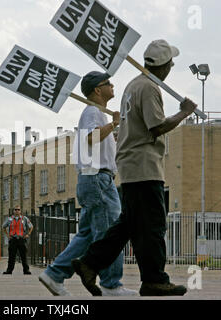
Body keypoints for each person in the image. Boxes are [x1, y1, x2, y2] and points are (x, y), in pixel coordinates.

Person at [71, 39, 198, 296]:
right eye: (171, 62)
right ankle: (154, 279)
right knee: (152, 225)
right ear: (165, 66)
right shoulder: (149, 88)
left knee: (128, 224)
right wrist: (184, 113)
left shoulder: (132, 86)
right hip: (144, 165)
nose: (173, 65)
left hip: (130, 166)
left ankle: (89, 263)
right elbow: (157, 126)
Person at [39, 71, 137, 296]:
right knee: (110, 232)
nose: (113, 85)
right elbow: (91, 138)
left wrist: (114, 125)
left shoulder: (96, 113)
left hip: (93, 178)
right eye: (108, 83)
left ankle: (54, 274)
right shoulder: (92, 112)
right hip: (98, 178)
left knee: (87, 234)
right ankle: (111, 283)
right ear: (97, 90)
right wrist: (113, 123)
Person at [2, 205, 33, 275]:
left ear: (20, 211)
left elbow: (31, 226)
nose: (17, 211)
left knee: (23, 256)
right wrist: (7, 235)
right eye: (15, 210)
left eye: (18, 210)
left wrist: (28, 234)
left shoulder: (24, 218)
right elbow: (3, 227)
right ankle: (9, 270)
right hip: (13, 239)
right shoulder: (9, 219)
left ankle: (26, 270)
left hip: (21, 239)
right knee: (11, 256)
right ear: (13, 211)